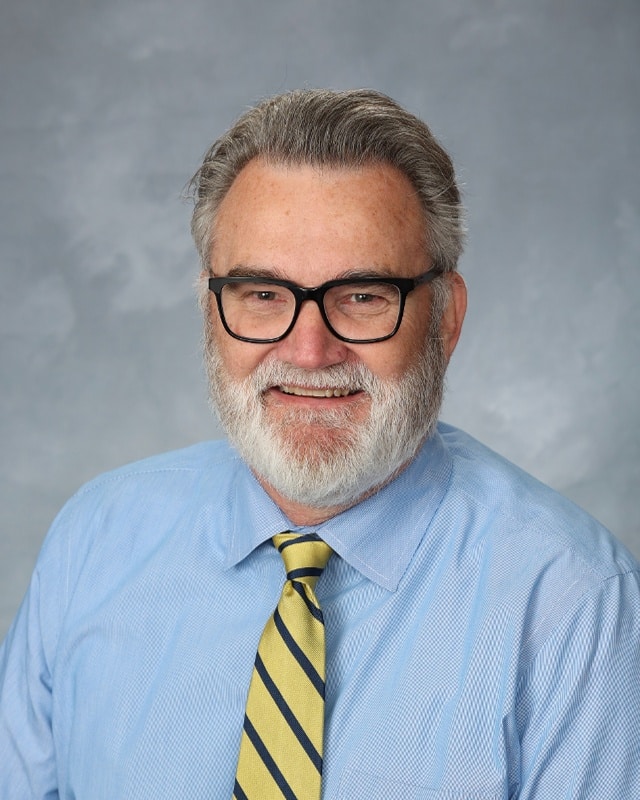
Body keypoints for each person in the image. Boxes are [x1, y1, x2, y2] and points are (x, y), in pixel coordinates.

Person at [1, 89, 639, 799]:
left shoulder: (574, 606)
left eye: (363, 296)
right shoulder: (96, 540)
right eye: (263, 294)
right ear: (212, 309)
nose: (309, 351)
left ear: (446, 320)